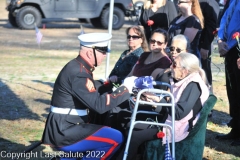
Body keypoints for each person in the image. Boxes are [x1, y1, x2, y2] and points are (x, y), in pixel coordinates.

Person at [41, 33, 138, 160]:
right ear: (90, 53)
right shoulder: (79, 73)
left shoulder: (77, 67)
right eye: (102, 51)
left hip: (64, 125)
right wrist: (126, 89)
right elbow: (99, 105)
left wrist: (106, 84)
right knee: (115, 138)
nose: (105, 55)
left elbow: (86, 90)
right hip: (64, 130)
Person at [116, 53, 210, 160]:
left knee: (134, 136)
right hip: (168, 121)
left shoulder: (193, 85)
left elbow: (179, 113)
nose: (170, 67)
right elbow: (169, 107)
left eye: (174, 65)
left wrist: (157, 99)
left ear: (185, 71)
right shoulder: (184, 81)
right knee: (129, 125)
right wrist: (152, 100)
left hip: (176, 128)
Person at [215, 0, 240, 146]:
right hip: (230, 50)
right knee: (233, 91)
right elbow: (225, 19)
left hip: (237, 49)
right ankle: (236, 128)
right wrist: (220, 40)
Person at [198, 0, 219, 92]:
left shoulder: (209, 2)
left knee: (204, 72)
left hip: (202, 44)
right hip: (195, 43)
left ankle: (208, 97)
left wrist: (205, 46)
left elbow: (211, 26)